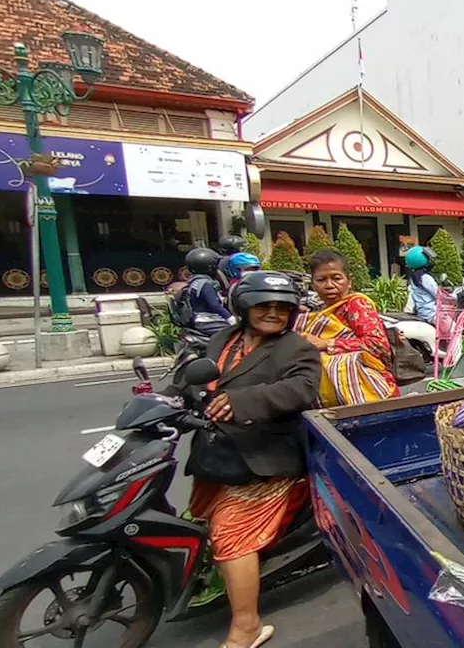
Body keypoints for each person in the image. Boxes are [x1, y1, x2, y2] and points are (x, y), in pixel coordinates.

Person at [187, 270, 320, 648]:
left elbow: (301, 388)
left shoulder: (297, 348)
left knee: (231, 537)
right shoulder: (222, 339)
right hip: (216, 453)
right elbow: (194, 378)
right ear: (244, 307)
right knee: (200, 518)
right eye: (265, 305)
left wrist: (242, 401)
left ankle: (247, 626)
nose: (274, 312)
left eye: (282, 307)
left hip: (264, 459)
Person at [299, 249, 399, 407]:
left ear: (349, 281)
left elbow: (378, 346)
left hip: (368, 396)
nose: (329, 285)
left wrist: (326, 344)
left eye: (336, 278)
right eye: (321, 279)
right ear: (313, 284)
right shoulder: (315, 312)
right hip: (333, 403)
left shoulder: (356, 304)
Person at [179, 247, 233, 334]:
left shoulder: (196, 281)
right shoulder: (205, 284)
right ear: (209, 267)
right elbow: (215, 306)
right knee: (237, 333)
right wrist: (230, 318)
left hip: (202, 320)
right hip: (208, 321)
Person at [404, 245, 439, 324]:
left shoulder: (415, 278)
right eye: (428, 259)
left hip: (422, 312)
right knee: (455, 330)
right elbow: (438, 294)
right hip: (432, 313)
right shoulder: (425, 278)